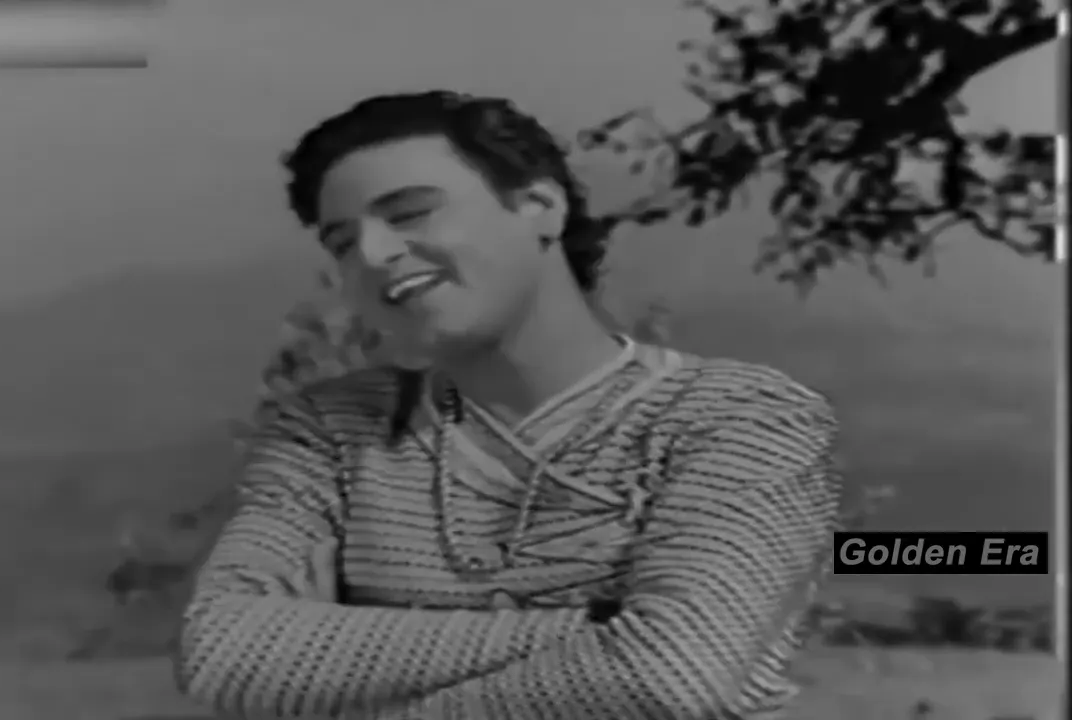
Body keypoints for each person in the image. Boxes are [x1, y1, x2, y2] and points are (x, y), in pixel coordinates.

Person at [174, 90, 844, 720]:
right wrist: (610, 633)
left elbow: (676, 673)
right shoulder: (329, 431)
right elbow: (219, 652)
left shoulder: (742, 418)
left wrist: (328, 657)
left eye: (410, 213)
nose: (373, 255)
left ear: (540, 206)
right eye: (343, 242)